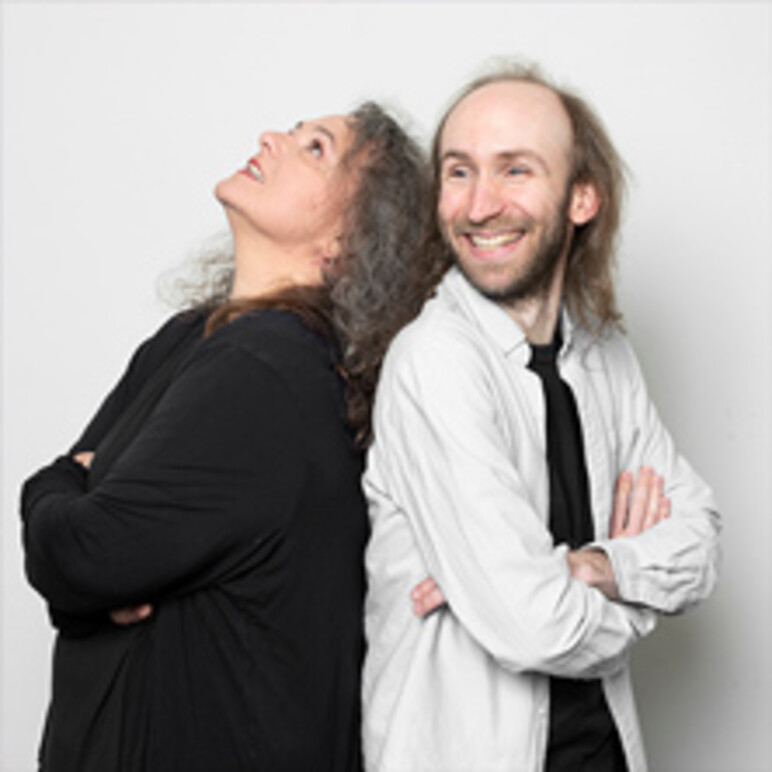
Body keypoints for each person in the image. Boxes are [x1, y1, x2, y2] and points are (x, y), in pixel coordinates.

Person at [21, 101, 434, 772]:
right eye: (294, 133)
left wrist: (56, 487)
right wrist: (78, 554)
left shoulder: (268, 369)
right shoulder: (190, 337)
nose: (271, 139)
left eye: (316, 148)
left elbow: (83, 552)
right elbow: (78, 567)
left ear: (348, 241)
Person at [362, 63, 721, 772]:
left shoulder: (605, 353)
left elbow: (700, 545)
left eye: (515, 170)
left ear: (582, 197)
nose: (478, 206)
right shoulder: (434, 362)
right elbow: (534, 627)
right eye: (458, 172)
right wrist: (637, 591)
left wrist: (587, 566)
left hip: (605, 752)